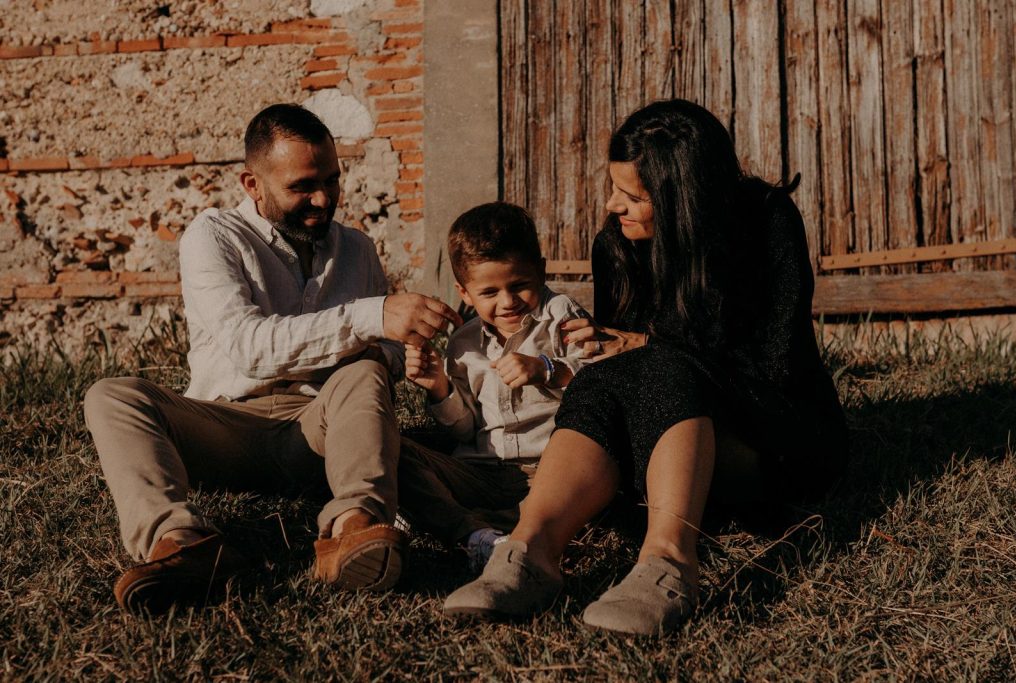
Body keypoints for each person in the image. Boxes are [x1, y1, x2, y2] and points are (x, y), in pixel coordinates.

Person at [443, 99, 848, 636]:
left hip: (772, 437)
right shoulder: (617, 244)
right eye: (614, 188)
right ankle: (527, 552)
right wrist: (606, 353)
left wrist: (650, 342)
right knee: (610, 375)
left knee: (662, 364)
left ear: (684, 197)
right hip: (667, 446)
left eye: (632, 195)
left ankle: (668, 562)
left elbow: (778, 364)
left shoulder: (766, 222)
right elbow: (623, 378)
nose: (613, 205)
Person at [83, 103, 461, 613]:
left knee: (365, 370)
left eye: (332, 179)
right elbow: (249, 347)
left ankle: (353, 533)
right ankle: (181, 545)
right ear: (252, 184)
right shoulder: (213, 237)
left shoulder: (358, 249)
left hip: (325, 433)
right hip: (227, 425)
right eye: (302, 186)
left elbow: (387, 350)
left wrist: (396, 352)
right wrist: (368, 320)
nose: (323, 199)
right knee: (111, 396)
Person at [398, 202, 591, 571]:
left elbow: (601, 380)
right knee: (392, 450)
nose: (507, 302)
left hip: (548, 472)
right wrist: (438, 388)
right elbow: (465, 428)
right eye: (489, 292)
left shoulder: (562, 316)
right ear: (465, 293)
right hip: (482, 471)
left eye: (519, 285)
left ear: (541, 270)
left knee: (572, 498)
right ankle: (475, 534)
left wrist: (547, 369)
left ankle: (447, 516)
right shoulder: (463, 343)